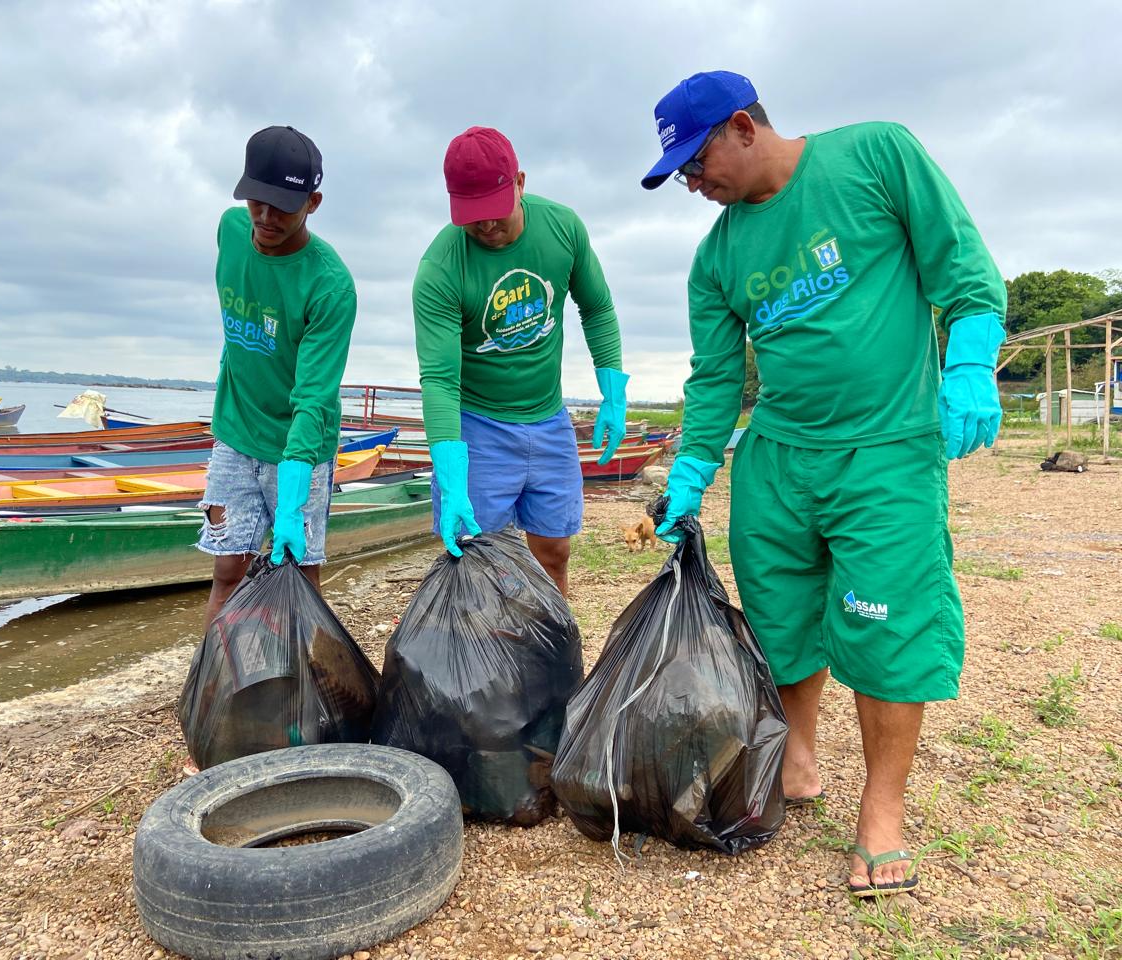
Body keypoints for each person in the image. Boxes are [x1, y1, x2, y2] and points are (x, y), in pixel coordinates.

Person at [641, 71, 1005, 896]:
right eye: (681, 175)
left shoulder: (876, 156)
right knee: (781, 623)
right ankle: (797, 760)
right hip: (777, 460)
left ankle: (882, 811)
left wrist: (971, 361)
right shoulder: (716, 257)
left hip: (884, 449)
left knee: (887, 629)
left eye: (695, 164)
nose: (692, 185)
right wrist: (692, 472)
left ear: (743, 127)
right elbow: (715, 378)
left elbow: (962, 267)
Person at [413, 126, 629, 595]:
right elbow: (440, 380)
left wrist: (613, 393)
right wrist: (450, 471)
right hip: (478, 425)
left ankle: (552, 640)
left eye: (495, 211)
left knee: (554, 553)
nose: (487, 226)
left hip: (549, 419)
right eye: (473, 216)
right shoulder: (441, 268)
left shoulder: (563, 228)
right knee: (477, 565)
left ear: (520, 183)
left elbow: (596, 307)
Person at [199, 124, 357, 627]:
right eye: (257, 202)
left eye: (283, 207)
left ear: (313, 202)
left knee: (300, 576)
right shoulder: (230, 230)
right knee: (228, 571)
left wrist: (291, 494)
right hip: (235, 436)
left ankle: (304, 674)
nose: (265, 218)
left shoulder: (330, 286)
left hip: (300, 447)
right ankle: (216, 672)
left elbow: (314, 396)